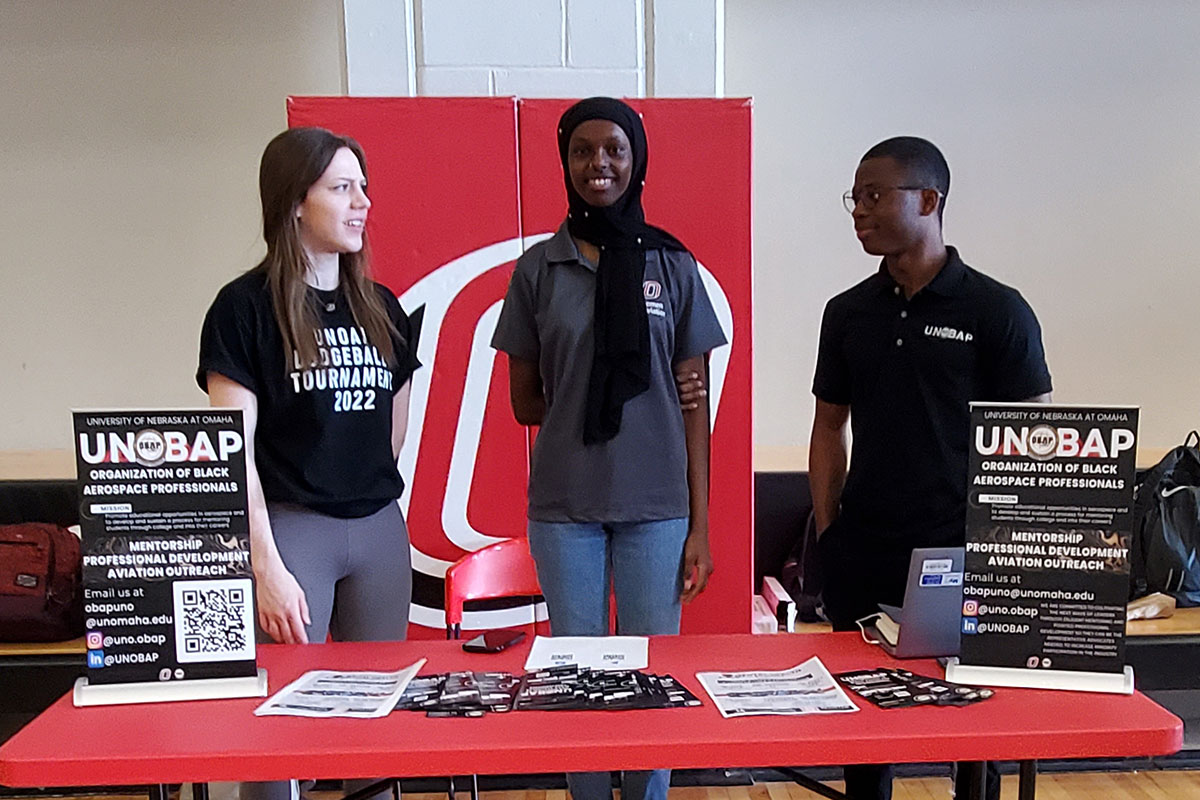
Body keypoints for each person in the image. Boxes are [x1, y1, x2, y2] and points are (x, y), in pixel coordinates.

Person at [491, 97, 727, 800]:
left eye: (615, 150)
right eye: (583, 151)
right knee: (580, 675)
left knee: (653, 674)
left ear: (638, 159)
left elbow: (695, 407)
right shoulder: (539, 270)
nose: (600, 164)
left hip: (659, 508)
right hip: (566, 509)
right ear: (565, 162)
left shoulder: (673, 265)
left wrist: (702, 526)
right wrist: (587, 409)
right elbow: (523, 400)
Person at [809, 136, 1052, 800]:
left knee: (973, 725)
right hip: (866, 549)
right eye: (854, 198)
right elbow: (829, 428)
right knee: (864, 725)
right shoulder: (848, 312)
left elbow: (1038, 437)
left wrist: (1012, 550)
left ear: (928, 199)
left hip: (963, 550)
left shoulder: (996, 309)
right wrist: (830, 535)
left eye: (874, 195)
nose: (859, 210)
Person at [197, 127, 421, 800]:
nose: (361, 204)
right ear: (296, 201)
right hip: (293, 535)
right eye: (342, 188)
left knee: (374, 724)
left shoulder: (381, 308)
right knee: (280, 732)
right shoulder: (242, 309)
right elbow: (231, 456)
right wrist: (265, 568)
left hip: (379, 531)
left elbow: (394, 432)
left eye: (363, 188)